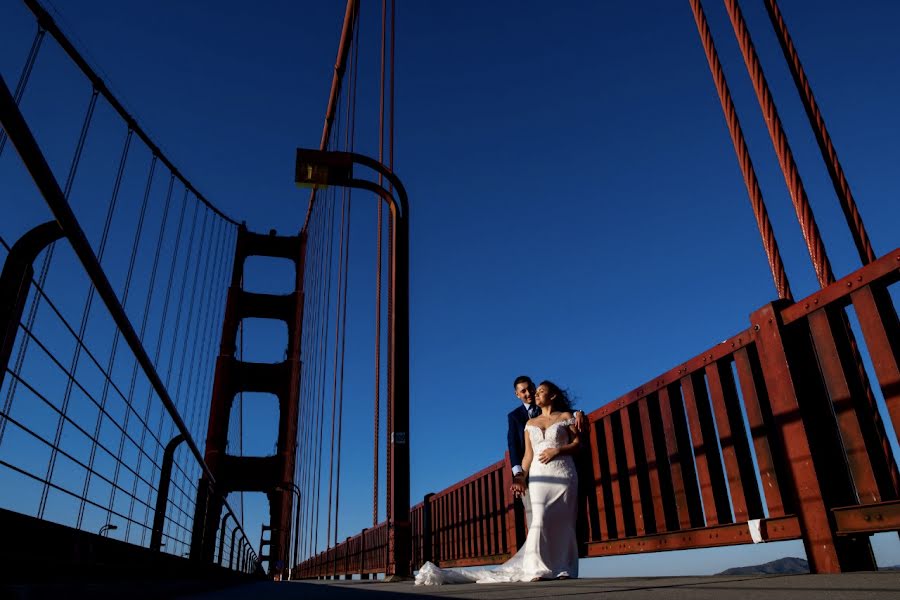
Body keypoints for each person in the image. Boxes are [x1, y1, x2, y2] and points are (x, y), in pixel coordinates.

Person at [415, 380, 581, 585]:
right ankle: (538, 567)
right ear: (517, 394)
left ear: (552, 395)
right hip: (539, 476)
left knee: (564, 521)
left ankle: (563, 567)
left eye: (539, 391)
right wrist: (519, 477)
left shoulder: (566, 417)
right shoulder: (527, 423)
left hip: (563, 473)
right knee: (539, 519)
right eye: (530, 391)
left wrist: (558, 449)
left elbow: (577, 443)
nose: (534, 394)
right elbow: (525, 454)